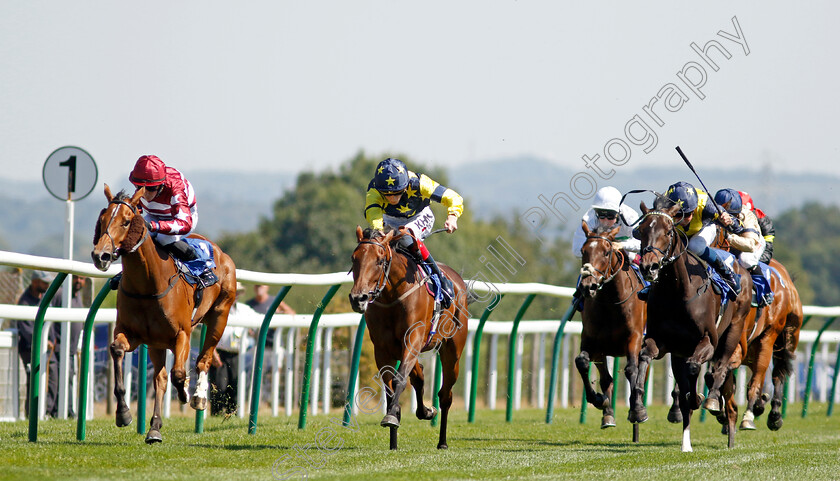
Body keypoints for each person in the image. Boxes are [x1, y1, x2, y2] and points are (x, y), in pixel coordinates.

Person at [364, 158, 464, 308]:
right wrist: (379, 231)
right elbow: (373, 213)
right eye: (387, 194)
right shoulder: (374, 188)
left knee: (406, 237)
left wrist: (452, 216)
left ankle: (440, 278)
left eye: (397, 193)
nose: (392, 198)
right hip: (390, 219)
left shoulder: (419, 182)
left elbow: (453, 197)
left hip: (419, 216)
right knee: (372, 243)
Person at [127, 154, 216, 287]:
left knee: (163, 238)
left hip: (182, 217)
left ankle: (204, 270)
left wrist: (154, 226)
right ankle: (129, 273)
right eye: (140, 187)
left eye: (150, 188)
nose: (144, 193)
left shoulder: (175, 187)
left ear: (162, 185)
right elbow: (137, 207)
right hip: (154, 214)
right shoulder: (143, 182)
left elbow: (185, 224)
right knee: (138, 236)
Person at [655, 181, 741, 294]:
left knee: (694, 246)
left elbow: (738, 228)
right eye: (678, 215)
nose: (683, 220)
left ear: (694, 208)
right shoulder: (661, 204)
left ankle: (727, 274)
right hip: (678, 233)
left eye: (688, 214)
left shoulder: (707, 206)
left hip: (703, 228)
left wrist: (729, 221)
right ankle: (653, 284)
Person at [571, 186, 641, 308]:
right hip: (600, 260)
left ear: (619, 212)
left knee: (647, 270)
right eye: (601, 215)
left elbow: (642, 243)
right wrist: (597, 249)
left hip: (629, 256)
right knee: (585, 274)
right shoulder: (588, 219)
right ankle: (578, 300)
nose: (605, 221)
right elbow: (577, 250)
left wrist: (622, 246)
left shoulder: (631, 217)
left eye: (610, 216)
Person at [14, 270, 60, 418]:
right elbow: (26, 329)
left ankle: (46, 412)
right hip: (31, 349)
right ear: (34, 282)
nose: (47, 285)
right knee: (34, 382)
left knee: (52, 379)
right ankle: (32, 414)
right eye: (44, 282)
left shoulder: (44, 298)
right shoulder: (24, 302)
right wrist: (42, 340)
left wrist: (52, 340)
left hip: (48, 349)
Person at [209, 282, 254, 416]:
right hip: (219, 353)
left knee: (235, 386)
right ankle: (216, 415)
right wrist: (212, 351)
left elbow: (259, 320)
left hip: (237, 353)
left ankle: (232, 414)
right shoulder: (216, 308)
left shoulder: (245, 310)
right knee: (219, 387)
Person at [245, 284, 295, 349]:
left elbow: (292, 314)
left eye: (261, 286)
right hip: (256, 346)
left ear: (267, 287)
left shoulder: (275, 301)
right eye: (257, 285)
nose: (259, 288)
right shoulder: (249, 304)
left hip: (274, 345)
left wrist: (279, 316)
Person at [739, 191, 776, 264]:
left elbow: (768, 250)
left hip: (755, 252)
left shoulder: (763, 220)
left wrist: (756, 261)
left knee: (746, 261)